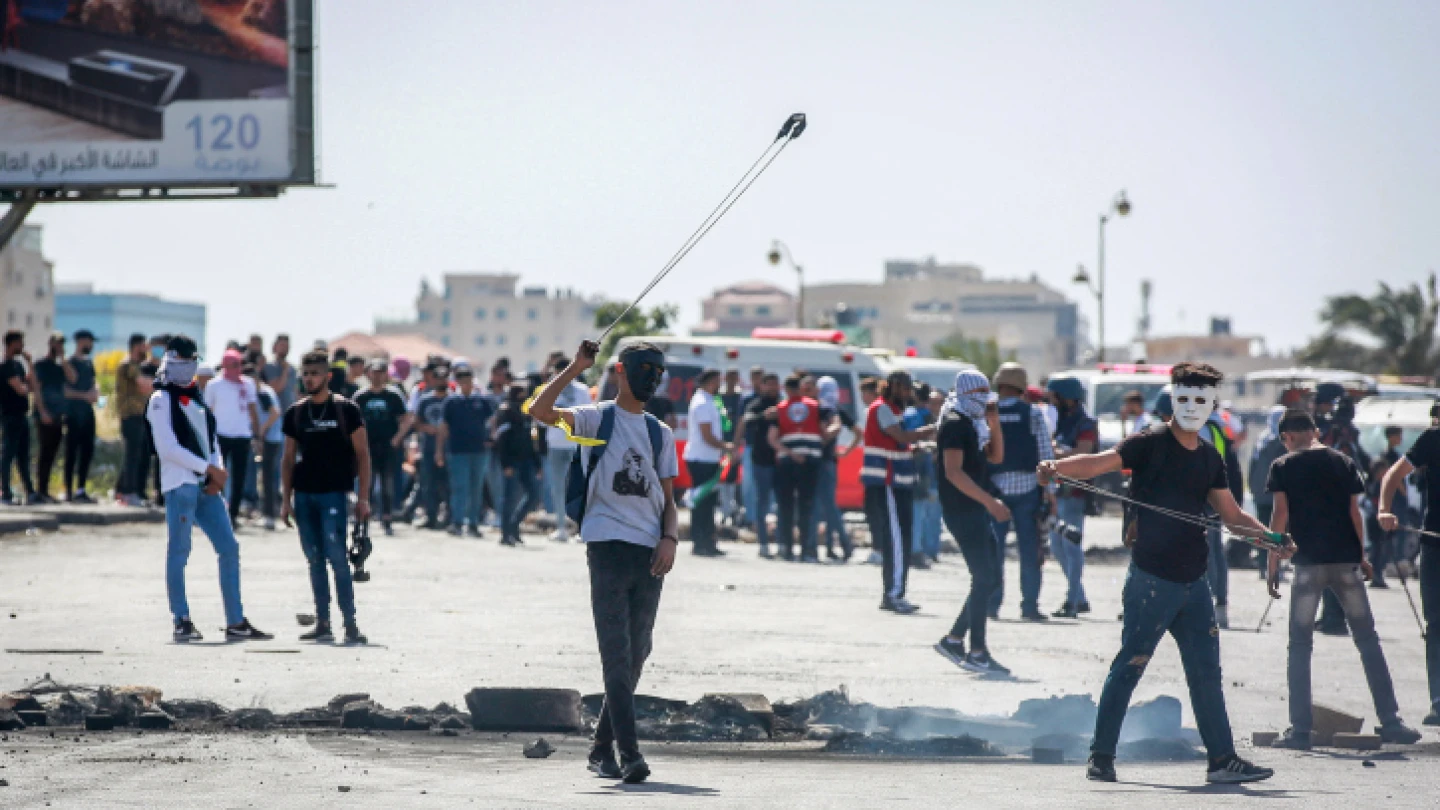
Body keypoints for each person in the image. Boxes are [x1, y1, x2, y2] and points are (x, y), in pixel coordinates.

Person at [1039, 362, 1282, 785]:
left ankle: (1222, 760)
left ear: (1211, 406)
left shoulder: (1209, 456)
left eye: (1200, 400)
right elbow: (1099, 464)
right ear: (1172, 398)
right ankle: (1101, 756)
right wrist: (1056, 468)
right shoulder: (1149, 442)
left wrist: (1273, 539)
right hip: (1152, 581)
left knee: (1207, 675)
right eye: (1183, 398)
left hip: (1195, 584)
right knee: (1130, 665)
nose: (1190, 407)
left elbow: (1232, 515)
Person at [529, 340, 679, 785]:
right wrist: (576, 366)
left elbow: (669, 500)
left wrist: (670, 537)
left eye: (658, 371)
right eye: (644, 369)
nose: (652, 377)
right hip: (606, 547)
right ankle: (629, 754)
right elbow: (539, 411)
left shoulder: (660, 433)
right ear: (621, 371)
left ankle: (600, 748)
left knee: (637, 655)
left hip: (649, 552)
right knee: (616, 654)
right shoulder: (596, 419)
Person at [1265, 409, 1422, 749]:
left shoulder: (1283, 466)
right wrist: (1363, 558)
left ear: (1287, 438)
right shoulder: (1342, 462)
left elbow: (1281, 515)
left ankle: (1300, 731)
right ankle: (1392, 721)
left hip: (1308, 565)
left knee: (1300, 645)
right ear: (1315, 430)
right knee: (1367, 641)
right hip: (1346, 564)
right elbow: (1355, 513)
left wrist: (1272, 561)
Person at [148, 335, 272, 643]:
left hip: (206, 485)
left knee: (229, 548)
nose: (184, 370)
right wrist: (209, 469)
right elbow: (168, 449)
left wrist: (216, 471)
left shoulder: (197, 396)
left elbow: (211, 439)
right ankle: (182, 619)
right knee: (179, 551)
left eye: (188, 364)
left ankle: (235, 620)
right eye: (178, 364)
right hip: (180, 484)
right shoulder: (160, 400)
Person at [281, 350, 370, 645]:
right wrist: (285, 499)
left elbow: (363, 455)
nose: (309, 379)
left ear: (327, 376)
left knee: (338, 558)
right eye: (305, 374)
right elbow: (288, 458)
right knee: (314, 560)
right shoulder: (296, 412)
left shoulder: (346, 410)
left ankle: (350, 624)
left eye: (315, 373)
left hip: (334, 494)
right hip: (305, 495)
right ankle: (323, 623)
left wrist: (364, 498)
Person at [933, 370, 1008, 674]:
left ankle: (954, 639)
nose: (983, 399)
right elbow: (953, 472)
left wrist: (994, 423)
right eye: (977, 392)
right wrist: (990, 502)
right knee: (983, 577)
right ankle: (976, 651)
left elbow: (996, 457)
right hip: (963, 510)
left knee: (990, 579)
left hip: (976, 509)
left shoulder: (974, 424)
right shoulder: (954, 423)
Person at [1378, 417, 1440, 727]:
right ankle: (1438, 701)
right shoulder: (1433, 439)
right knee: (1436, 624)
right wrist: (1384, 509)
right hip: (1434, 545)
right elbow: (1393, 474)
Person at [862, 370, 936, 613]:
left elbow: (899, 443)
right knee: (895, 540)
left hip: (898, 483)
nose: (908, 393)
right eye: (905, 388)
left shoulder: (894, 410)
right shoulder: (881, 407)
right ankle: (893, 594)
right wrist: (934, 428)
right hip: (887, 482)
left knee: (901, 539)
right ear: (893, 386)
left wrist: (916, 447)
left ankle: (896, 592)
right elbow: (900, 435)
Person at [987, 362, 1056, 621]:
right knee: (1030, 552)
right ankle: (1029, 607)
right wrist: (1050, 493)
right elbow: (1046, 455)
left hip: (995, 492)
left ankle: (992, 606)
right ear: (1020, 387)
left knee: (995, 551)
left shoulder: (988, 412)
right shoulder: (1033, 414)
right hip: (1028, 490)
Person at [1047, 375, 1097, 618]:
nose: (1051, 401)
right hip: (1059, 490)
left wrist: (1055, 453)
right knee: (1056, 545)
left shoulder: (1085, 423)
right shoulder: (1062, 421)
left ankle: (1072, 602)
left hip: (1075, 491)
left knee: (1071, 545)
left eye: (1055, 396)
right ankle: (1079, 596)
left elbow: (1084, 452)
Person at [770, 375, 834, 563]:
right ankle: (806, 550)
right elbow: (824, 430)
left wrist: (789, 452)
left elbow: (772, 438)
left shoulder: (780, 409)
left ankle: (787, 550)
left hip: (787, 464)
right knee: (807, 507)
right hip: (810, 462)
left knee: (786, 507)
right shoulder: (815, 406)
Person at [436, 360, 495, 537]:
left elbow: (492, 421)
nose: (465, 383)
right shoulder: (451, 402)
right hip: (457, 450)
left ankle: (473, 523)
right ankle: (457, 521)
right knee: (459, 487)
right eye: (461, 379)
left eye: (468, 379)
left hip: (478, 450)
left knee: (476, 488)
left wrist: (491, 438)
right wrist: (439, 450)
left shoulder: (482, 400)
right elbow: (443, 427)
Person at [1198, 406, 1245, 628]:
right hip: (1217, 498)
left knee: (1208, 552)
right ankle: (1219, 605)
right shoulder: (1218, 427)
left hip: (1208, 500)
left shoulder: (1206, 429)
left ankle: (1211, 606)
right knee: (1215, 552)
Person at [204, 349, 262, 525]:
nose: (237, 368)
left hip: (242, 436)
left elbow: (252, 409)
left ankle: (233, 514)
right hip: (220, 435)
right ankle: (213, 511)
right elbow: (207, 411)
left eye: (239, 364)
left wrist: (257, 435)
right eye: (233, 364)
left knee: (239, 477)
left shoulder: (248, 384)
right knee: (216, 475)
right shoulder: (214, 385)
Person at [355, 359, 411, 535]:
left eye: (381, 372)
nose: (377, 376)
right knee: (367, 484)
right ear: (368, 374)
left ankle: (386, 517)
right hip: (367, 447)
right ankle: (365, 518)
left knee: (387, 482)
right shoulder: (360, 397)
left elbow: (406, 418)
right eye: (374, 372)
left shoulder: (393, 396)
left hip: (388, 446)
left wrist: (398, 438)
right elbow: (351, 421)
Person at [541, 356, 591, 542]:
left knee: (578, 487)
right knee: (557, 488)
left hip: (575, 444)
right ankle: (561, 527)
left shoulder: (582, 390)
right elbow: (538, 416)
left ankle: (580, 528)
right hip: (555, 444)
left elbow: (588, 415)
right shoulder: (549, 388)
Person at [684, 369, 730, 557]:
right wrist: (726, 446)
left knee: (709, 502)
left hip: (709, 458)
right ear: (710, 382)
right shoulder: (702, 402)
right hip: (701, 458)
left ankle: (709, 541)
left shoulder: (710, 400)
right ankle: (699, 542)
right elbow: (707, 435)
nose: (720, 385)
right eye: (718, 381)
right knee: (701, 502)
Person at [816, 376, 859, 561]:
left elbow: (857, 434)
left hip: (822, 461)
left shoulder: (823, 410)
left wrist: (843, 451)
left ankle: (844, 543)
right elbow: (858, 433)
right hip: (830, 461)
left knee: (827, 507)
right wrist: (844, 452)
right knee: (828, 506)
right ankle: (829, 548)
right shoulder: (836, 410)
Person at [494, 382, 540, 546]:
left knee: (534, 494)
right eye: (520, 393)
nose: (523, 396)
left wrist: (537, 464)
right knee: (509, 498)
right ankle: (506, 533)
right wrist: (505, 464)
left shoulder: (527, 412)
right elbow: (501, 441)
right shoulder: (506, 411)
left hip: (527, 460)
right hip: (512, 461)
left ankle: (514, 526)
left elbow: (532, 439)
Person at [1247, 406, 1289, 579]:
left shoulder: (1262, 439)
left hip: (1260, 493)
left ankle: (1265, 565)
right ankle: (1274, 567)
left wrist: (1252, 486)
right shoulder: (1284, 441)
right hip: (1276, 494)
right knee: (1277, 531)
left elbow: (1252, 465)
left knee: (1263, 530)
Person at [904, 386, 942, 568]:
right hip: (924, 468)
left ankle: (914, 549)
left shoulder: (908, 414)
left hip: (911, 466)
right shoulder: (927, 416)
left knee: (915, 510)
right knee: (921, 511)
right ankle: (919, 550)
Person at [743, 374, 781, 557]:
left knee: (782, 504)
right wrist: (763, 416)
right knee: (763, 502)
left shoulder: (783, 404)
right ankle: (763, 544)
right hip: (762, 461)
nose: (773, 388)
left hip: (781, 462)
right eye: (770, 385)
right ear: (763, 386)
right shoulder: (757, 404)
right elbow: (747, 420)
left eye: (776, 385)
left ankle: (783, 543)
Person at [412, 360, 452, 530]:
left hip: (449, 449)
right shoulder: (425, 400)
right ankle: (431, 516)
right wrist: (426, 428)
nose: (441, 381)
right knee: (428, 484)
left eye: (444, 378)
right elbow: (416, 423)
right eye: (438, 378)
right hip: (428, 448)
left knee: (448, 485)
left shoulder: (452, 400)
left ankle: (449, 517)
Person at [62, 329, 100, 503]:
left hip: (88, 414)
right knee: (71, 452)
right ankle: (68, 490)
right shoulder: (69, 362)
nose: (91, 345)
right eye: (89, 341)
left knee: (87, 451)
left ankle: (81, 490)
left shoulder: (88, 363)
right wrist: (84, 396)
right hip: (73, 413)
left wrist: (95, 391)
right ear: (81, 341)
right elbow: (66, 391)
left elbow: (93, 383)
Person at [115, 333, 152, 506]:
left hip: (140, 416)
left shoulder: (138, 365)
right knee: (132, 456)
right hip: (130, 415)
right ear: (137, 346)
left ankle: (123, 490)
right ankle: (128, 493)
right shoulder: (128, 365)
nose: (147, 350)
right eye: (144, 346)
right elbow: (143, 385)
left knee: (138, 454)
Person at [31, 333, 69, 504]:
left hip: (57, 416)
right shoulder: (41, 365)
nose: (60, 346)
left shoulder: (59, 367)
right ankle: (40, 491)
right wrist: (42, 411)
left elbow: (72, 378)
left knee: (52, 454)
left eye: (62, 344)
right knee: (45, 454)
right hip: (44, 416)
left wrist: (63, 358)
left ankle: (45, 491)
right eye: (57, 344)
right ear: (51, 344)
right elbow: (37, 389)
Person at [0, 331, 35, 505]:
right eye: (20, 343)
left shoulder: (19, 365)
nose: (22, 347)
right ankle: (5, 492)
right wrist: (26, 387)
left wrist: (29, 363)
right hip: (10, 416)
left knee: (23, 456)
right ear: (11, 344)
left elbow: (32, 385)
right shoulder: (5, 366)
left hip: (22, 415)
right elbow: (21, 389)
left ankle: (30, 491)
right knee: (8, 455)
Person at [248, 362, 283, 530]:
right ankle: (265, 511)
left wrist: (261, 432)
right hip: (265, 437)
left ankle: (270, 516)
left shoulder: (262, 392)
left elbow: (275, 413)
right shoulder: (255, 391)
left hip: (270, 439)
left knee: (268, 478)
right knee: (262, 477)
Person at [718, 369, 745, 526]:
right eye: (730, 377)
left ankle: (733, 510)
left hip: (735, 443)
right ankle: (723, 510)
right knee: (721, 477)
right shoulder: (719, 398)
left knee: (733, 478)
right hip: (721, 444)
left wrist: (736, 443)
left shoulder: (739, 398)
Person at [740, 365, 766, 527]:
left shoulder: (770, 398)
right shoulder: (747, 399)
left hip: (766, 448)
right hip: (750, 445)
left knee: (764, 485)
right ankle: (751, 517)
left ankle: (764, 519)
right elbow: (741, 422)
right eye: (755, 377)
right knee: (748, 484)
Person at [263, 334, 298, 413]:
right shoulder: (269, 367)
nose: (284, 348)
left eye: (286, 346)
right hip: (277, 415)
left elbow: (295, 391)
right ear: (275, 347)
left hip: (290, 414)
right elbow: (276, 389)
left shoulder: (292, 369)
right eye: (282, 345)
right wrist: (285, 370)